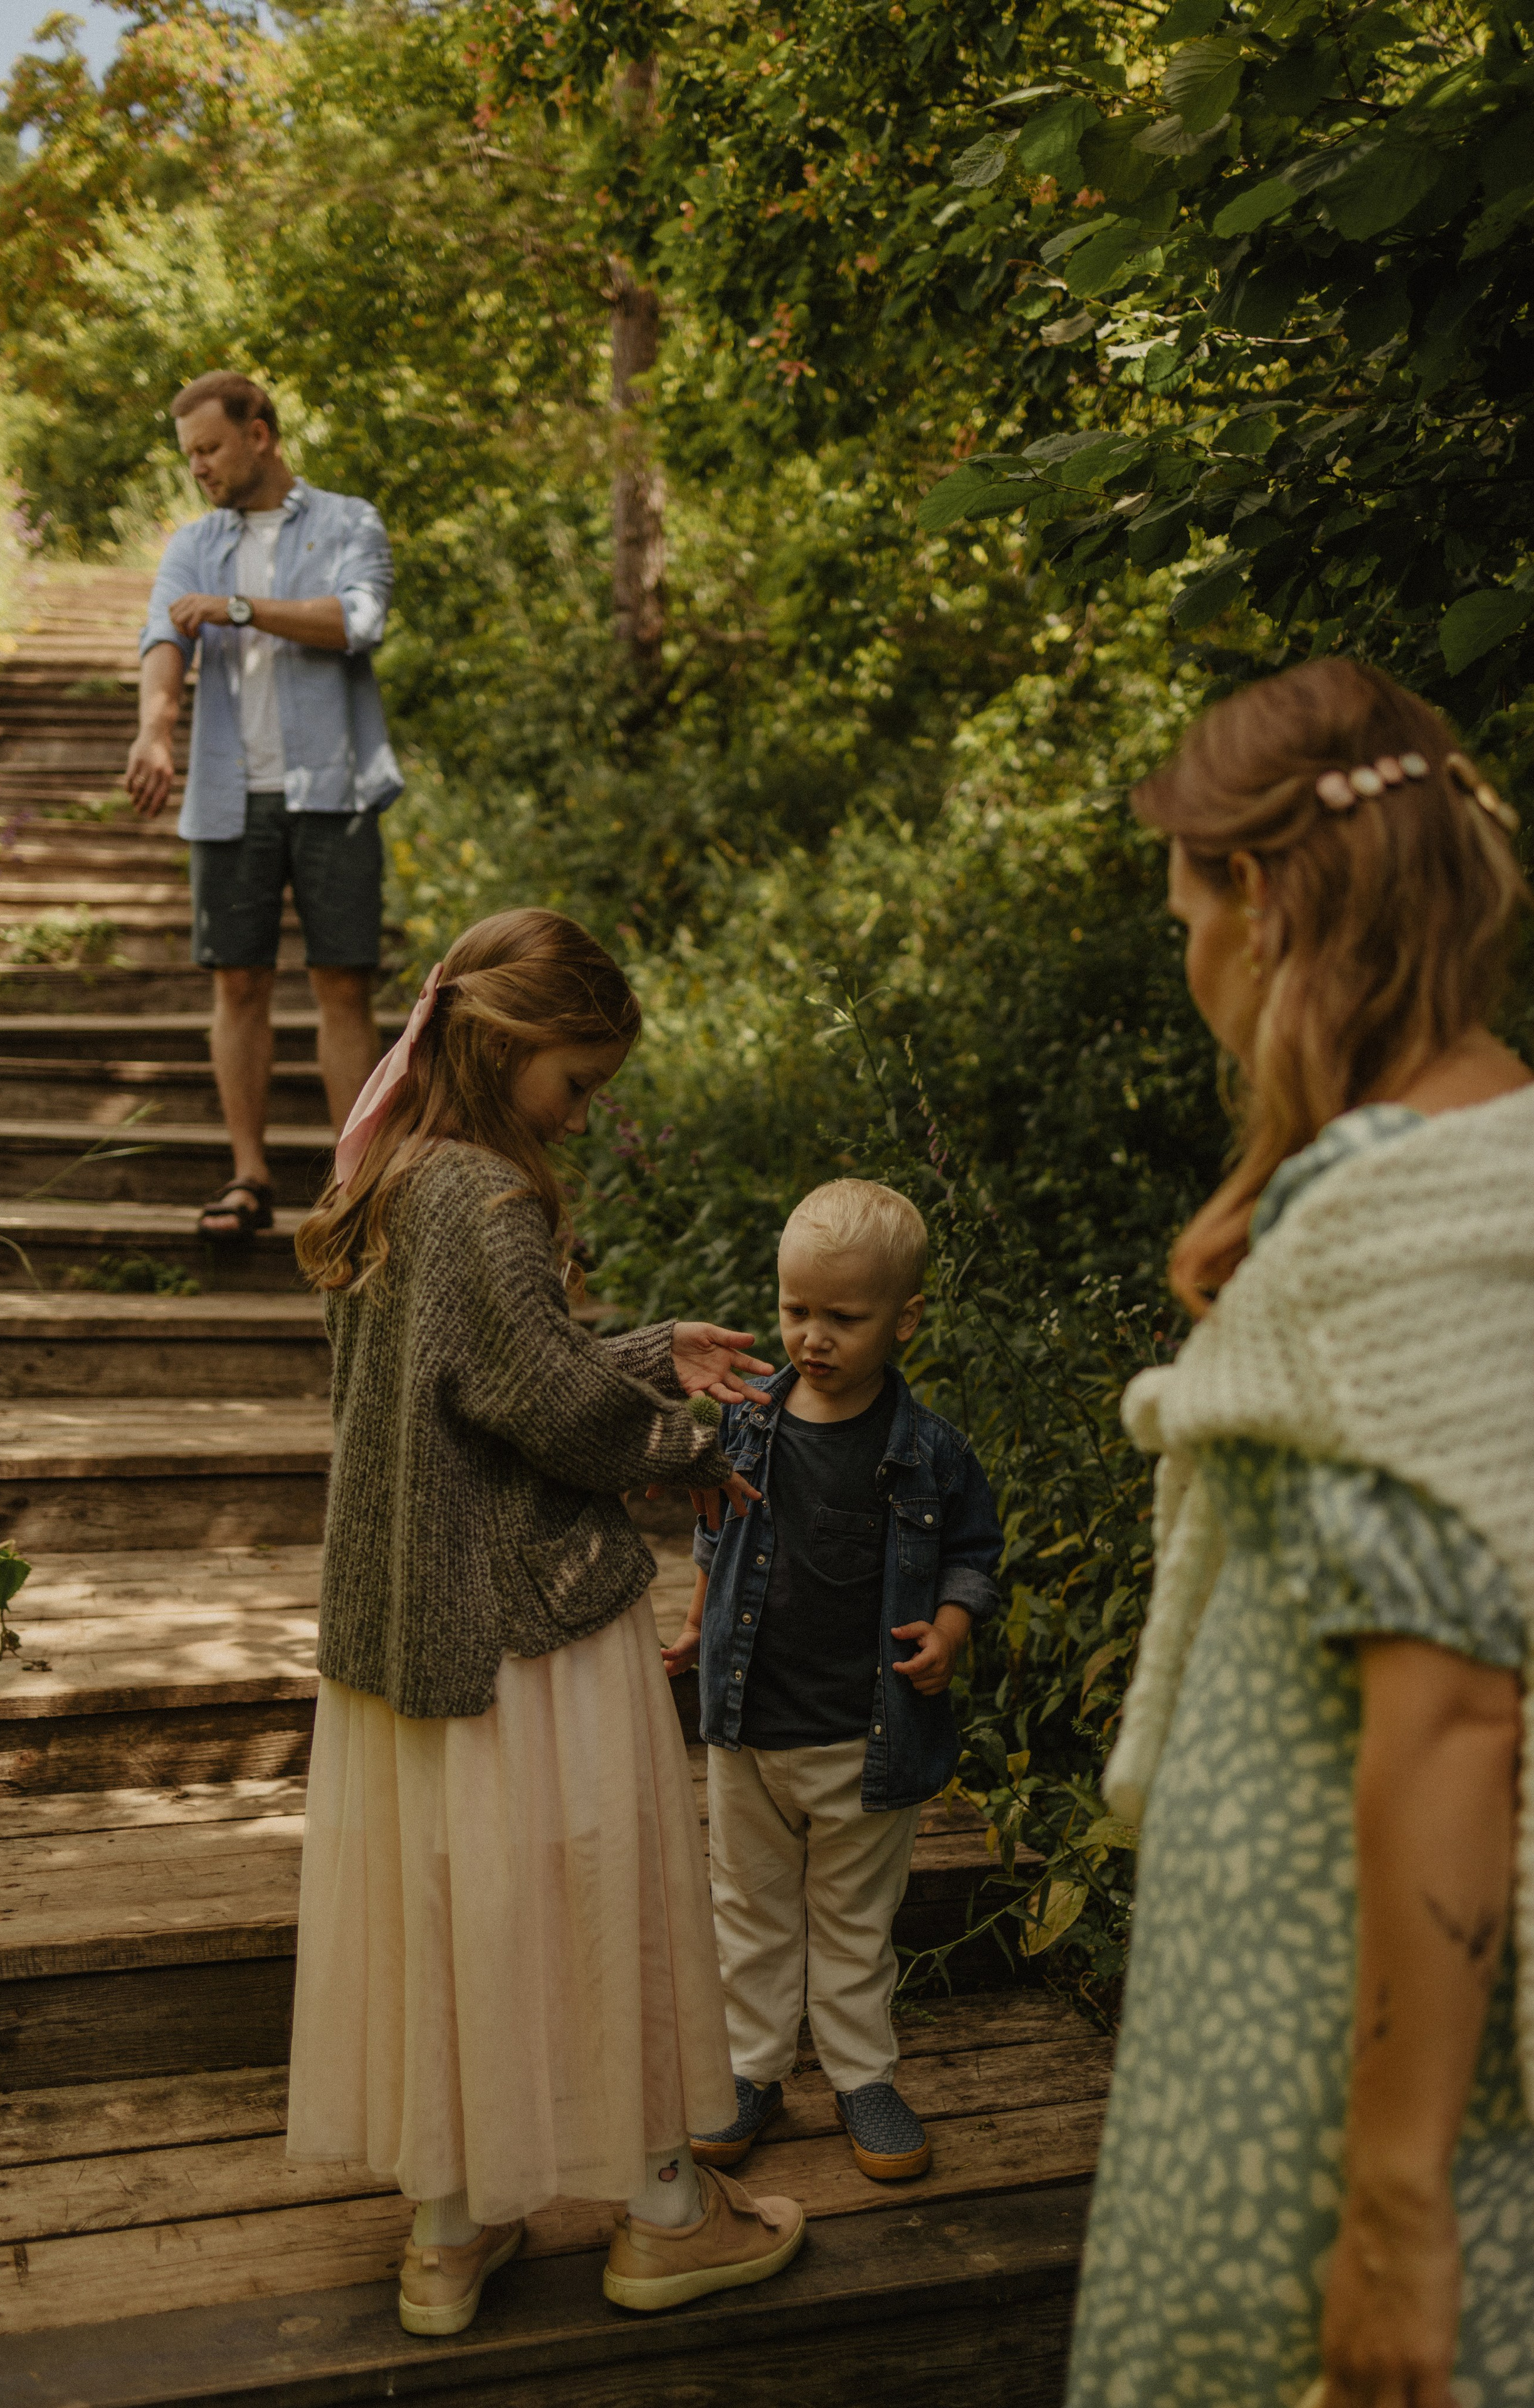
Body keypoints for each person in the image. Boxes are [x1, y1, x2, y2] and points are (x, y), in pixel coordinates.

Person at [1064, 660, 1534, 2408]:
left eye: (1184, 901)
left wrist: (1395, 2207)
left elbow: (1454, 1713)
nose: (1182, 951)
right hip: (1383, 2027)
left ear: (1257, 900)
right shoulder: (1487, 1162)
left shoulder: (1384, 1228)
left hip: (1324, 2056)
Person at [285, 906, 806, 2335]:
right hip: (523, 1630)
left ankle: (448, 2234)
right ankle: (658, 2213)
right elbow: (551, 1409)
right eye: (576, 1083)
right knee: (595, 1897)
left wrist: (647, 1349)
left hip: (406, 1630)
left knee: (454, 1917)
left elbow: (476, 1372)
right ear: (508, 1043)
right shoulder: (491, 1203)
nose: (582, 1116)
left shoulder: (390, 1175)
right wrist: (699, 1447)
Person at [663, 1179, 1002, 2183]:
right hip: (748, 1726)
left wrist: (948, 1629)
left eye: (844, 1319)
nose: (812, 1337)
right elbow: (714, 1532)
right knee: (750, 1911)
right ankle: (752, 2071)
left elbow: (973, 1556)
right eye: (795, 1310)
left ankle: (863, 2077)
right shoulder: (748, 1424)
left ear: (905, 1319)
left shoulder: (929, 1454)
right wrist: (690, 1626)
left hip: (865, 1736)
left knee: (854, 1923)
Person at [124, 369, 403, 1242]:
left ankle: (355, 1187)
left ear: (262, 434)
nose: (199, 467)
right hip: (227, 795)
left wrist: (241, 608)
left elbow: (358, 621)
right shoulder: (192, 543)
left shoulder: (350, 521)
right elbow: (164, 639)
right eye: (189, 455)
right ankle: (248, 1176)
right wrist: (154, 733)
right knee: (238, 983)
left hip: (337, 790)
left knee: (342, 986)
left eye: (210, 448)